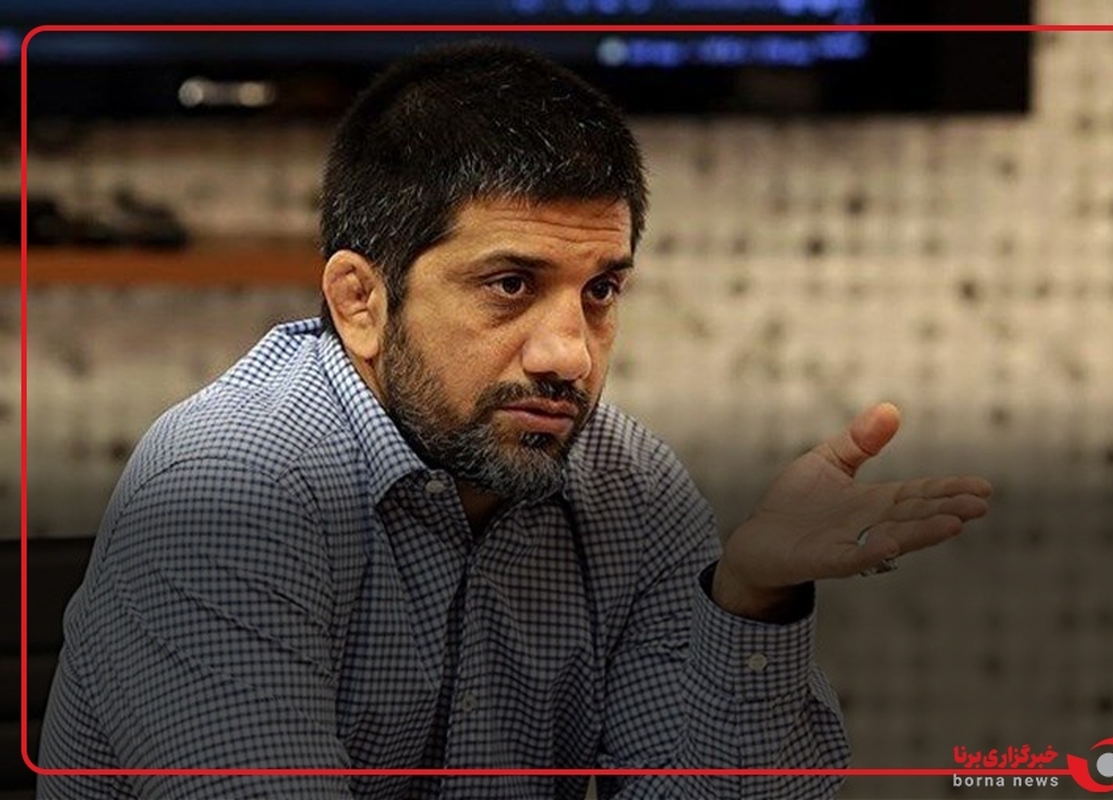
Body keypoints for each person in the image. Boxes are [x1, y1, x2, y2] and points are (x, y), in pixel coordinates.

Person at [36, 42, 991, 799]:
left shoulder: (630, 488)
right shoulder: (224, 492)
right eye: (509, 285)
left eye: (601, 290)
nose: (569, 354)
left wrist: (750, 598)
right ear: (360, 302)